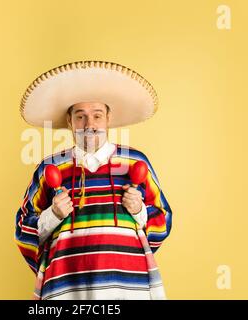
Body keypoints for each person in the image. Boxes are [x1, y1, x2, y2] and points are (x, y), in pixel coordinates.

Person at [15, 61, 173, 300]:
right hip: (68, 287)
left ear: (108, 118)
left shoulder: (135, 162)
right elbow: (22, 229)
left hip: (125, 287)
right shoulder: (49, 168)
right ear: (69, 122)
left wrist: (139, 209)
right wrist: (53, 215)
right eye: (80, 117)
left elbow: (164, 221)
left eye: (97, 115)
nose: (89, 124)